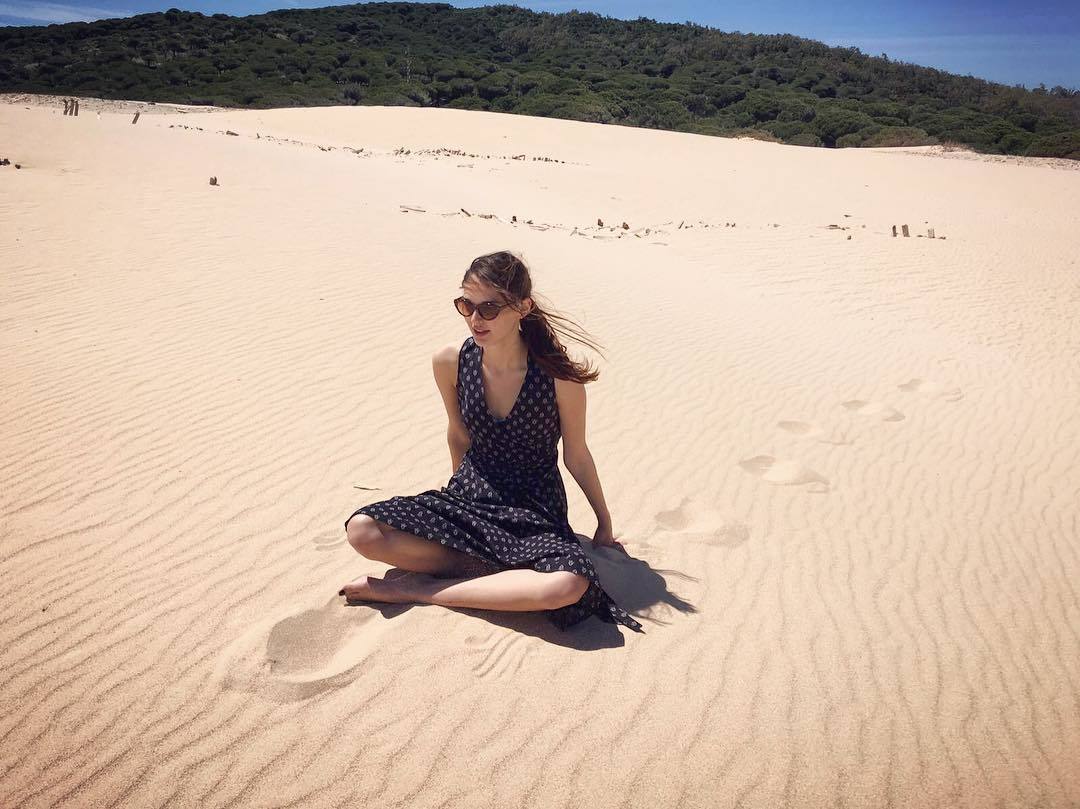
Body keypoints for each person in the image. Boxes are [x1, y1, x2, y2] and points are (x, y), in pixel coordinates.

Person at [341, 250, 643, 632]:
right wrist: (457, 502)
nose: (475, 319)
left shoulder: (558, 377)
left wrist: (604, 522)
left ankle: (422, 589)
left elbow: (577, 456)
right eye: (466, 305)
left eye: (489, 308)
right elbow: (458, 433)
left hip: (535, 509)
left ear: (523, 308)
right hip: (472, 495)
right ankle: (486, 568)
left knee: (568, 585)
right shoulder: (450, 361)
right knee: (363, 530)